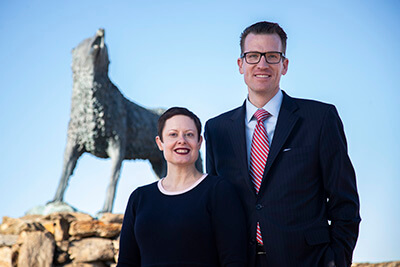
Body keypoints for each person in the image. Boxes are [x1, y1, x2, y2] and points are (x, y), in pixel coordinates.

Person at [204, 21, 361, 267]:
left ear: (284, 65)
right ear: (240, 64)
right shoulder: (216, 129)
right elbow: (213, 206)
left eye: (272, 56)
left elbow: (345, 203)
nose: (262, 64)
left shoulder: (320, 119)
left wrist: (336, 260)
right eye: (253, 56)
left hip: (308, 260)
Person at [117, 107, 247, 267]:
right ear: (160, 143)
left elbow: (234, 260)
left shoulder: (219, 191)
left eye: (189, 134)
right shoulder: (139, 197)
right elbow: (126, 262)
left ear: (199, 142)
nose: (182, 140)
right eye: (173, 134)